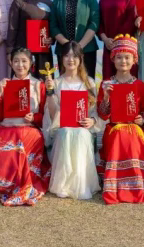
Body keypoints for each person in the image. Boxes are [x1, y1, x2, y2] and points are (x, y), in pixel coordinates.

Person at [96, 35, 144, 204]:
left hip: (135, 128)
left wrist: (141, 119)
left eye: (127, 57)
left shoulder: (140, 85)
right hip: (113, 127)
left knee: (132, 134)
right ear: (113, 59)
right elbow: (103, 115)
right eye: (119, 57)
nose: (123, 61)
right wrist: (106, 97)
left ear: (134, 60)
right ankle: (118, 184)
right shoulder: (106, 84)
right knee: (119, 134)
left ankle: (136, 182)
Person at [0, 47, 51, 206]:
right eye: (16, 61)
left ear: (31, 63)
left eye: (24, 61)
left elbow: (45, 116)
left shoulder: (38, 85)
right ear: (11, 63)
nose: (20, 65)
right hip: (6, 127)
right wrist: (0, 93)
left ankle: (18, 184)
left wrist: (35, 117)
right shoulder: (5, 83)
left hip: (29, 129)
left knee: (19, 140)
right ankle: (2, 185)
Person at [42, 42, 102, 200]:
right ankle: (63, 184)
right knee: (67, 132)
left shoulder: (89, 82)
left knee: (81, 134)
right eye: (67, 55)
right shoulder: (56, 83)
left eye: (74, 56)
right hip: (62, 128)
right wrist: (50, 92)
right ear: (61, 59)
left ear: (81, 59)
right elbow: (52, 114)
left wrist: (92, 121)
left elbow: (96, 110)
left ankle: (81, 184)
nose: (70, 59)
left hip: (83, 129)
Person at [49, 0, 100, 77]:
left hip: (87, 49)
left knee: (87, 81)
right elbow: (53, 26)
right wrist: (68, 46)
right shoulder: (57, 2)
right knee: (65, 81)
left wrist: (79, 46)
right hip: (64, 51)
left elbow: (94, 23)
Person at [6, 0, 54, 78]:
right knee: (23, 83)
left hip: (43, 51)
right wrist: (10, 51)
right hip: (23, 52)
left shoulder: (49, 3)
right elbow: (12, 28)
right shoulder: (19, 2)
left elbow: (53, 26)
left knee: (44, 81)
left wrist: (52, 39)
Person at [98, 0, 139, 79]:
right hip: (109, 46)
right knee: (109, 79)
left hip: (126, 46)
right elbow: (99, 22)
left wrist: (118, 41)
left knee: (128, 79)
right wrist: (105, 39)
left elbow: (132, 20)